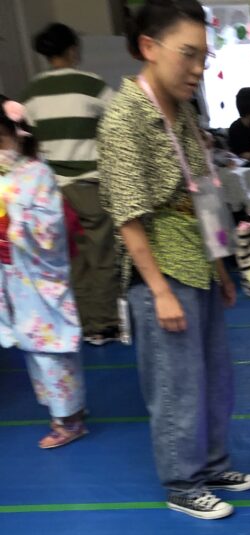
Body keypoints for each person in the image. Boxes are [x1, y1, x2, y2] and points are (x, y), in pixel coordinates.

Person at [98, 0, 250, 521]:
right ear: (149, 47)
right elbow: (128, 215)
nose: (197, 69)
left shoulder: (184, 111)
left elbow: (203, 192)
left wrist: (220, 267)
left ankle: (212, 464)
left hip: (197, 255)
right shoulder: (126, 117)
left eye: (203, 57)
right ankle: (182, 483)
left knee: (214, 374)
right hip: (162, 264)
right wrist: (159, 289)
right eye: (188, 54)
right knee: (176, 384)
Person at [22, 22, 120, 346]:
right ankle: (105, 324)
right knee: (103, 256)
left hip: (51, 191)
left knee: (72, 259)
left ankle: (83, 323)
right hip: (89, 185)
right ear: (73, 50)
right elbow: (120, 123)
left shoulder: (31, 92)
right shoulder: (90, 84)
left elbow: (26, 141)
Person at [0, 98, 87, 449]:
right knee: (34, 346)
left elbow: (50, 227)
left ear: (17, 133)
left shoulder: (37, 172)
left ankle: (69, 419)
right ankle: (66, 409)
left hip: (37, 274)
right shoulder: (7, 176)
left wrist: (13, 219)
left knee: (50, 346)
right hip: (13, 273)